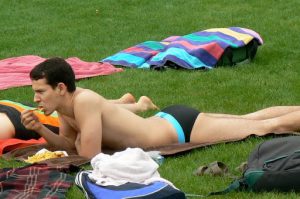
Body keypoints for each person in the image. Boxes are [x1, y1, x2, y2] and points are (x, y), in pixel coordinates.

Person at [20, 57, 300, 159]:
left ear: (60, 88)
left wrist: (80, 140)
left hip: (179, 130)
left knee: (266, 128)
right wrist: (42, 129)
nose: (35, 99)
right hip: (169, 121)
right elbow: (69, 144)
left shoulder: (85, 102)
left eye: (39, 91)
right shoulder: (66, 107)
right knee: (248, 119)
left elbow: (89, 156)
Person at [0, 95, 158, 140]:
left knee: (80, 114)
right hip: (9, 109)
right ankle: (118, 102)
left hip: (13, 117)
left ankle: (138, 106)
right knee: (80, 109)